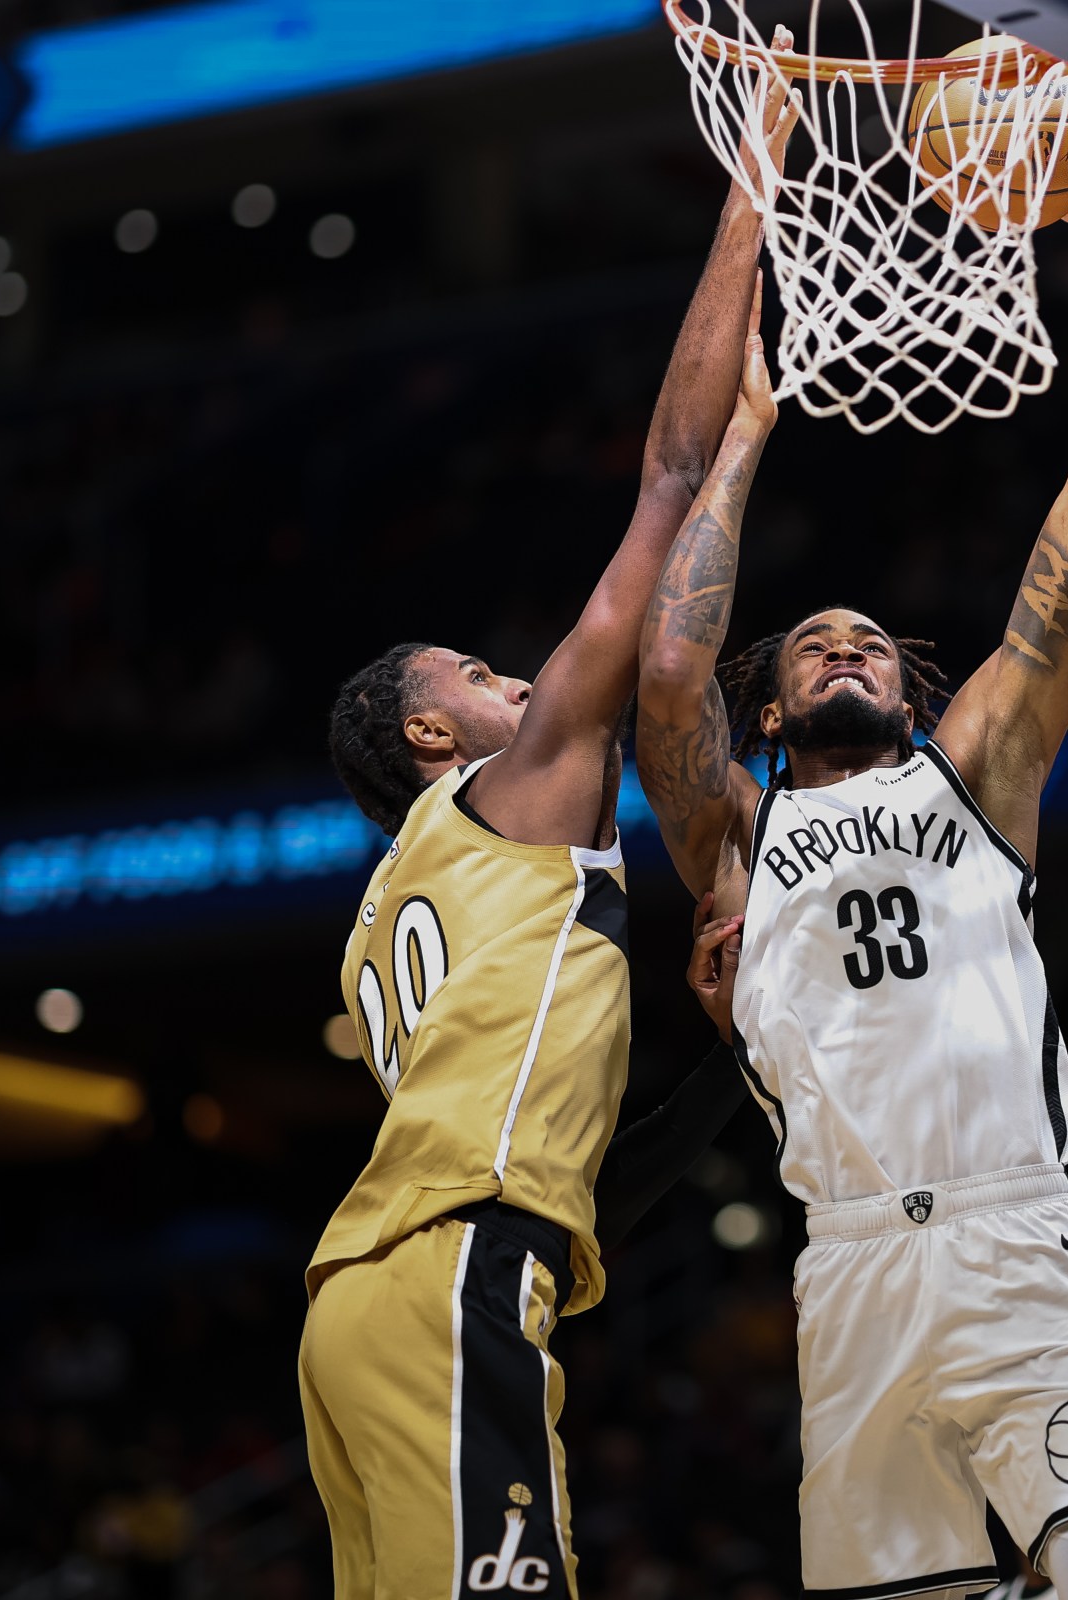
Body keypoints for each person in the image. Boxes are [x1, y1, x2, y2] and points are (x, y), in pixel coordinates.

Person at [636, 105, 1068, 1600]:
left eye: (874, 643)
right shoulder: (738, 833)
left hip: (1019, 1240)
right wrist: (745, 434)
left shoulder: (981, 776)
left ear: (912, 692)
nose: (846, 645)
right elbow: (668, 673)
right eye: (815, 642)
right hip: (850, 1277)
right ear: (772, 709)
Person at [297, 62, 790, 1600]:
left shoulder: (399, 920)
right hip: (450, 1269)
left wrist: (719, 1063)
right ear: (429, 739)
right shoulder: (510, 798)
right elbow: (664, 481)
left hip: (369, 1302)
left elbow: (587, 1179)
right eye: (472, 674)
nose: (516, 679)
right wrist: (756, 187)